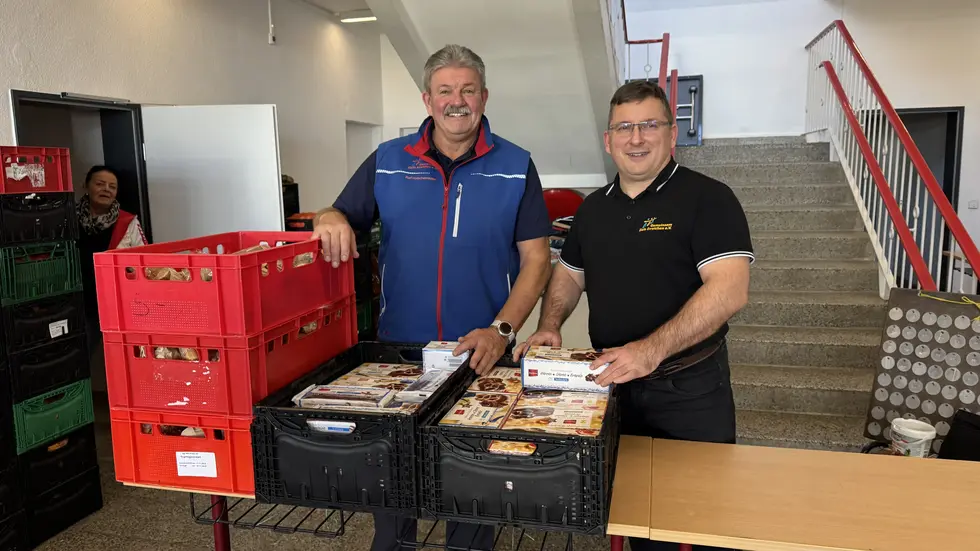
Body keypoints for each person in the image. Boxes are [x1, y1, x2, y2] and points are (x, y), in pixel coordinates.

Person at [313, 44, 552, 551]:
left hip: (482, 354)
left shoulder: (516, 165)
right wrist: (328, 218)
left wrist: (502, 330)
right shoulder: (387, 160)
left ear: (484, 96)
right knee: (393, 477)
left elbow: (536, 261)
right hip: (398, 354)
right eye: (445, 90)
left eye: (468, 90)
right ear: (427, 99)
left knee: (473, 482)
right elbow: (338, 213)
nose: (456, 100)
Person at [515, 80, 753, 551]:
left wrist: (650, 350)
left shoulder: (709, 198)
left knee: (702, 518)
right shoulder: (593, 209)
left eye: (649, 125)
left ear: (672, 133)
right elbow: (569, 276)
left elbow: (729, 290)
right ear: (608, 140)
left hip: (688, 391)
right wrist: (549, 326)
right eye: (624, 127)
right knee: (638, 517)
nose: (636, 138)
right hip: (615, 388)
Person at [77, 165, 146, 353]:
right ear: (86, 186)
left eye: (112, 186)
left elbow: (145, 260)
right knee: (82, 351)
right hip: (80, 299)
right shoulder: (69, 219)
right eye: (100, 184)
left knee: (118, 353)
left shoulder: (128, 222)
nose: (106, 189)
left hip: (116, 300)